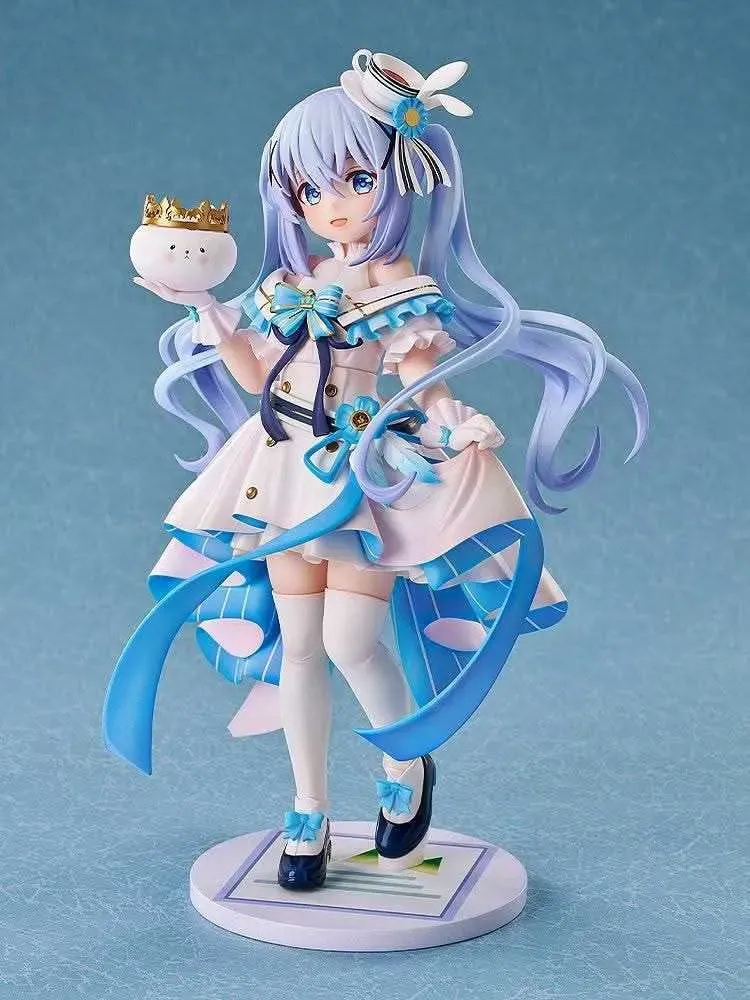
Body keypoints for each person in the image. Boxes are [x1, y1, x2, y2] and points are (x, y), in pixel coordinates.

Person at [103, 50, 648, 891]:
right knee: (300, 652)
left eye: (356, 180)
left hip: (359, 474)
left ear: (398, 177)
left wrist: (454, 420)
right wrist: (212, 313)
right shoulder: (292, 281)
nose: (333, 205)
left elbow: (422, 378)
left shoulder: (400, 285)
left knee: (350, 641)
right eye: (309, 189)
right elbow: (257, 379)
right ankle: (308, 809)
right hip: (280, 469)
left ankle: (406, 761)